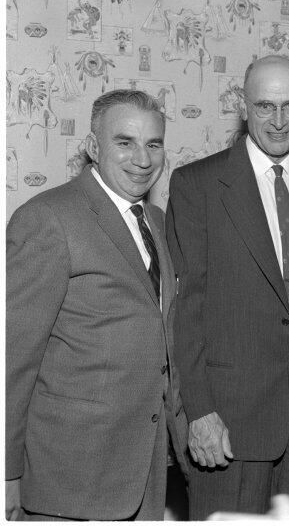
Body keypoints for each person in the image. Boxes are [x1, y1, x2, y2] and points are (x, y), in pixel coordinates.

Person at [166, 55, 289, 520]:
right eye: (265, 106)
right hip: (228, 424)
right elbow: (186, 311)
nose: (279, 120)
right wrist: (200, 412)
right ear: (242, 106)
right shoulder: (198, 185)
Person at [5, 90, 188, 520]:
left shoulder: (157, 221)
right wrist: (6, 472)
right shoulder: (48, 218)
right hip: (69, 476)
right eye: (125, 142)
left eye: (154, 144)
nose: (142, 159)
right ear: (92, 146)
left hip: (143, 472)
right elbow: (12, 359)